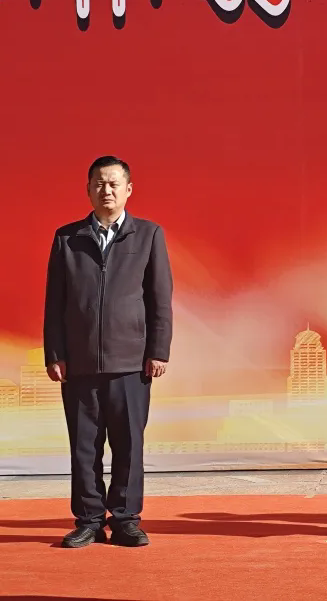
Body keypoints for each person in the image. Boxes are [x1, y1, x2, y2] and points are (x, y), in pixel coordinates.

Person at [44, 156, 173, 548]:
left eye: (114, 183)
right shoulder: (68, 238)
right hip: (79, 363)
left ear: (128, 190)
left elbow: (160, 300)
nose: (107, 190)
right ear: (88, 189)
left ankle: (126, 520)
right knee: (84, 447)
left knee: (128, 445)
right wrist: (55, 352)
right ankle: (88, 520)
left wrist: (158, 350)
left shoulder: (148, 235)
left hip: (131, 362)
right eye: (99, 183)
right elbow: (55, 303)